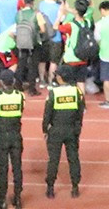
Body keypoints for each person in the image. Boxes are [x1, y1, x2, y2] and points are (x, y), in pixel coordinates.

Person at [41, 70, 84, 198]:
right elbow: (80, 113)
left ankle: (50, 188)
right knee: (73, 158)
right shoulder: (76, 92)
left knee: (53, 159)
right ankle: (75, 187)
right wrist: (78, 129)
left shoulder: (54, 93)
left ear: (61, 78)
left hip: (56, 130)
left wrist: (45, 129)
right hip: (71, 129)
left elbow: (47, 114)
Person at [0, 69, 27, 209]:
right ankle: (17, 197)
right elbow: (21, 111)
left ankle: (1, 200)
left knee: (3, 169)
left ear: (1, 82)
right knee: (17, 167)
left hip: (1, 136)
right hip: (16, 135)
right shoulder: (20, 96)